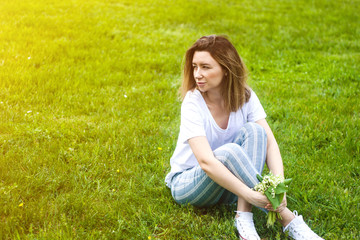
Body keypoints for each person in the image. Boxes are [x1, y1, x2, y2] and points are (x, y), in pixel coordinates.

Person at [165, 35, 324, 239]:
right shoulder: (192, 101)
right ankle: (287, 218)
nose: (197, 74)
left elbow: (270, 143)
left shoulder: (245, 95)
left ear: (226, 68)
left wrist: (278, 184)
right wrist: (251, 194)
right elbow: (206, 161)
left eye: (205, 67)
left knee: (257, 132)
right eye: (195, 66)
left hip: (228, 186)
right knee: (229, 151)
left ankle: (243, 216)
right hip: (188, 184)